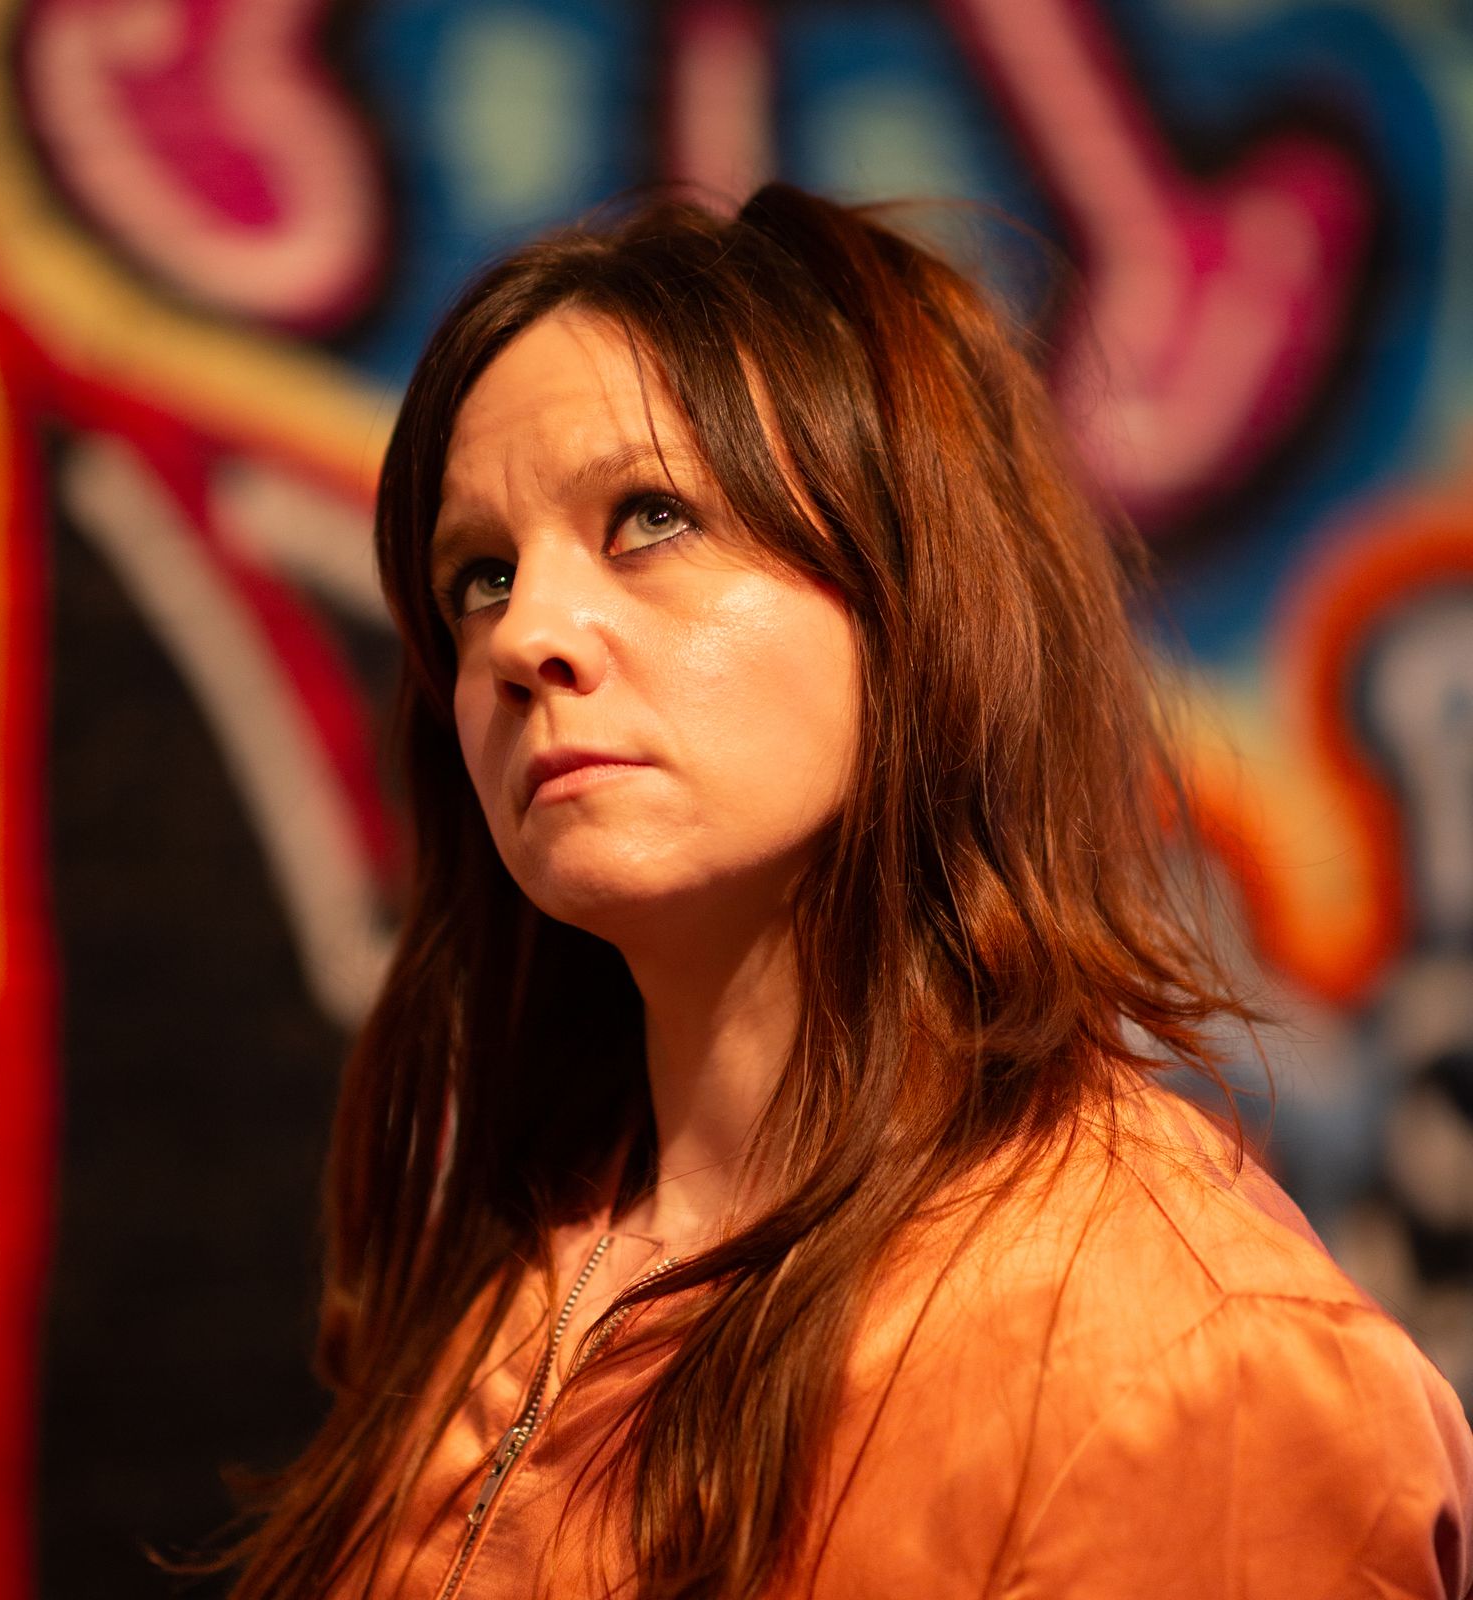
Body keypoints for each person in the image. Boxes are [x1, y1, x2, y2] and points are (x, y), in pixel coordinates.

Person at [223, 183, 1473, 1598]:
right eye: (480, 576)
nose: (525, 635)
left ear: (915, 591)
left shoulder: (1193, 1368)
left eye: (649, 516)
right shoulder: (520, 1265)